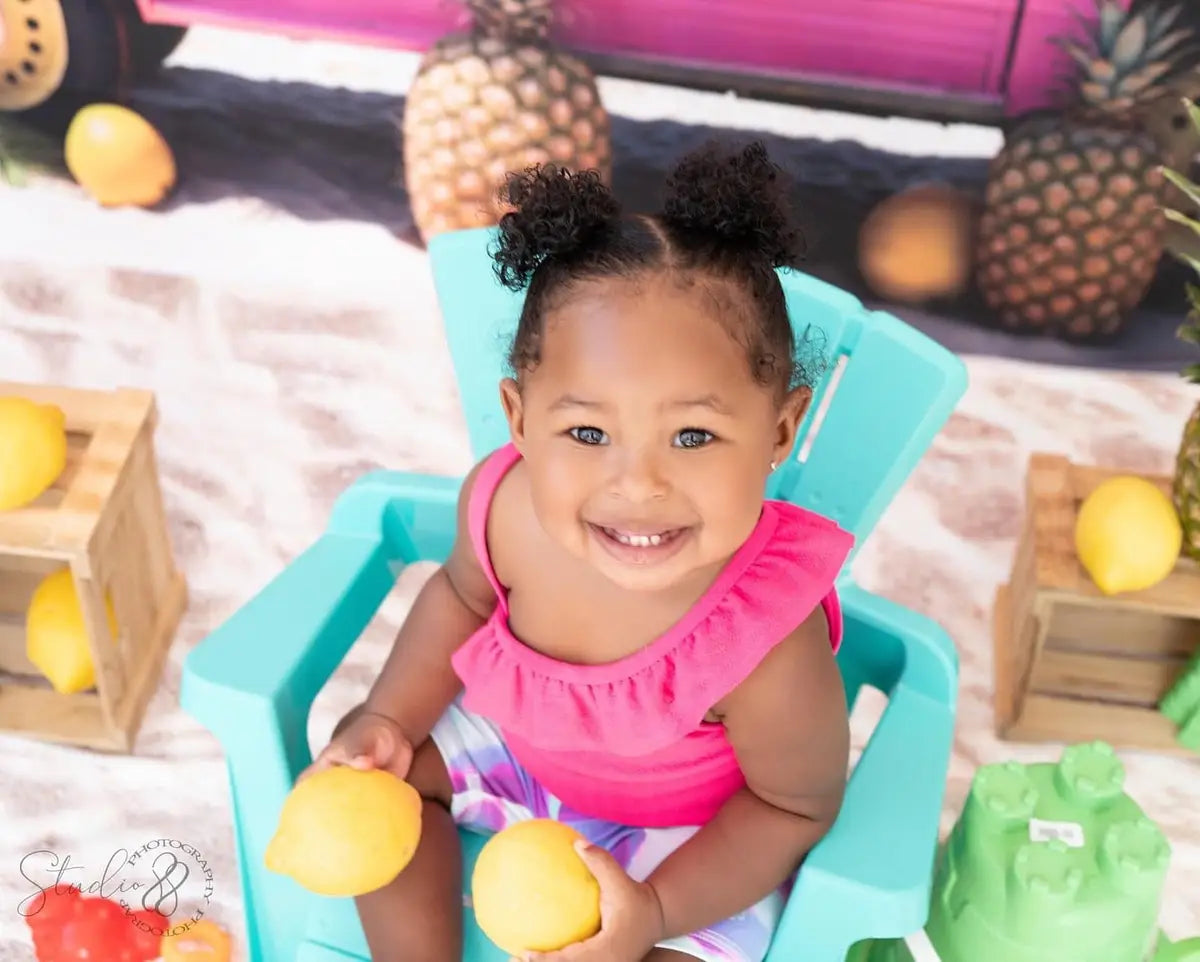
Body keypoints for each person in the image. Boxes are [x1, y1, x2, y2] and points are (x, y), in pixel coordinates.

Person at [305, 140, 854, 962]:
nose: (637, 484)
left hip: (682, 839)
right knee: (378, 786)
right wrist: (390, 717)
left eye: (693, 435)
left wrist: (653, 911)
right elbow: (460, 598)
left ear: (779, 431)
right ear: (519, 419)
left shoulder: (767, 635)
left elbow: (792, 809)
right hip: (515, 760)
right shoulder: (505, 512)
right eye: (587, 432)